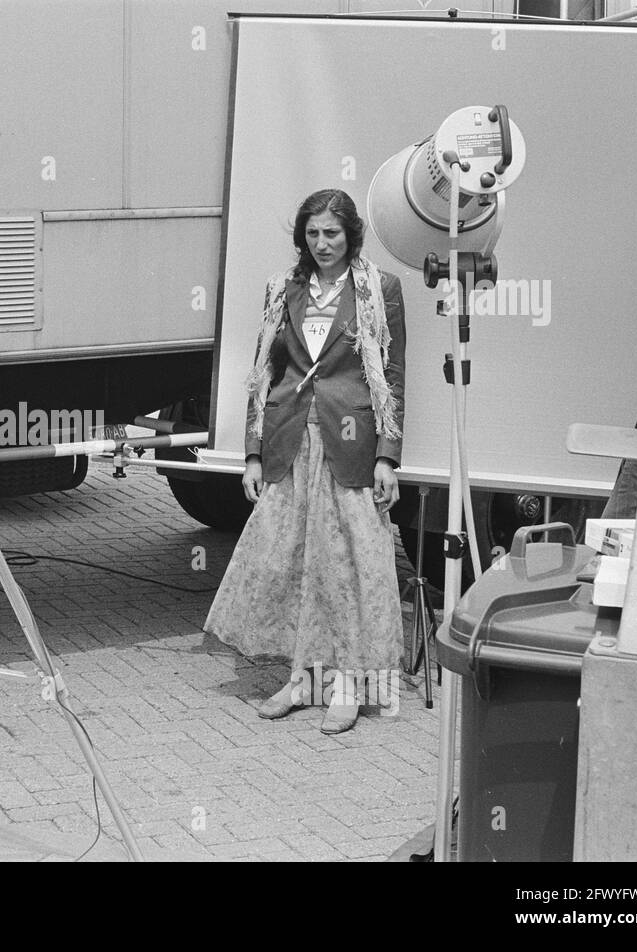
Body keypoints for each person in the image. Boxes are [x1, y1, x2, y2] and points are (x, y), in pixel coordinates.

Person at [205, 188, 406, 735]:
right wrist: (251, 453)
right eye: (313, 233)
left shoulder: (378, 290)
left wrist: (388, 456)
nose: (322, 243)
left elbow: (392, 378)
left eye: (332, 233)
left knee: (347, 569)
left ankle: (347, 686)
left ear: (351, 235)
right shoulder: (282, 290)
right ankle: (300, 679)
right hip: (291, 442)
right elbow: (261, 377)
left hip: (351, 445)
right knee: (292, 563)